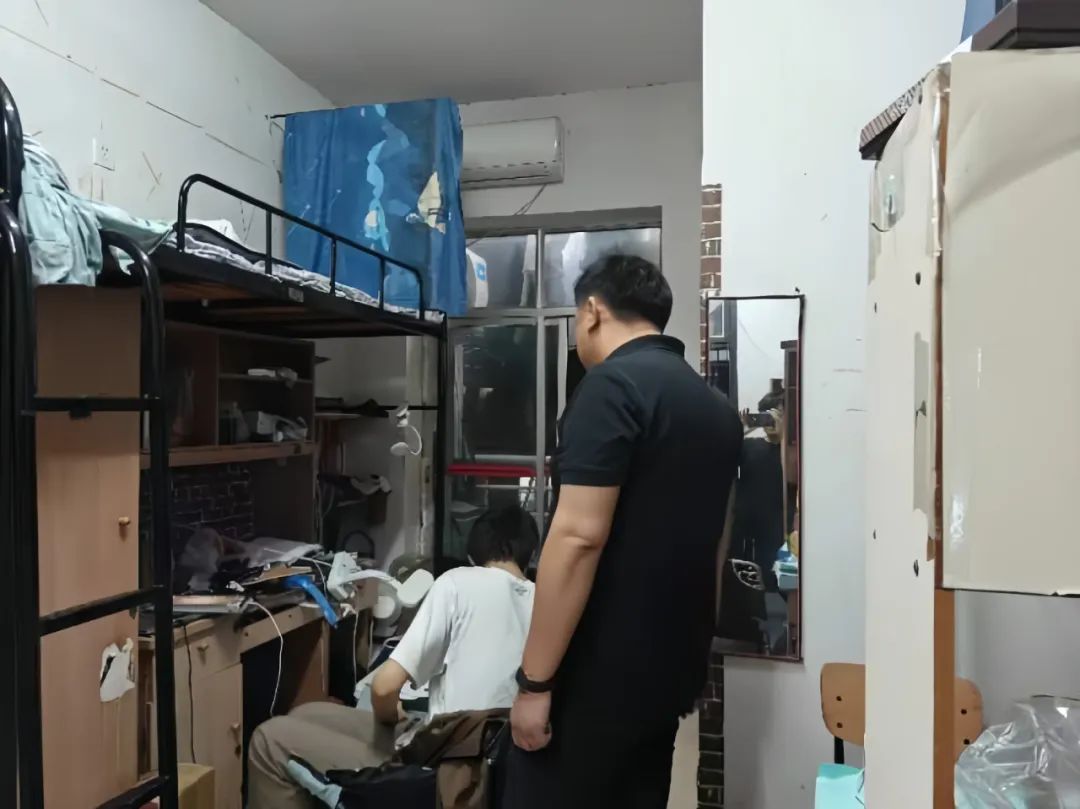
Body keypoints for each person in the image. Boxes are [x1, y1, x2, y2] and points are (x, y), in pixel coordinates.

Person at [505, 254, 744, 808]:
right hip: (669, 673)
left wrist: (535, 683)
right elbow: (716, 545)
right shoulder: (716, 408)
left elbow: (578, 538)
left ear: (592, 311)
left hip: (596, 678)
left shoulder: (611, 387)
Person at [248, 505, 538, 809]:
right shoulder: (541, 603)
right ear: (531, 555)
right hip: (487, 758)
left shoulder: (458, 582)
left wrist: (390, 713)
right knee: (306, 714)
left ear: (472, 556)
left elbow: (384, 687)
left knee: (270, 740)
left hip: (447, 771)